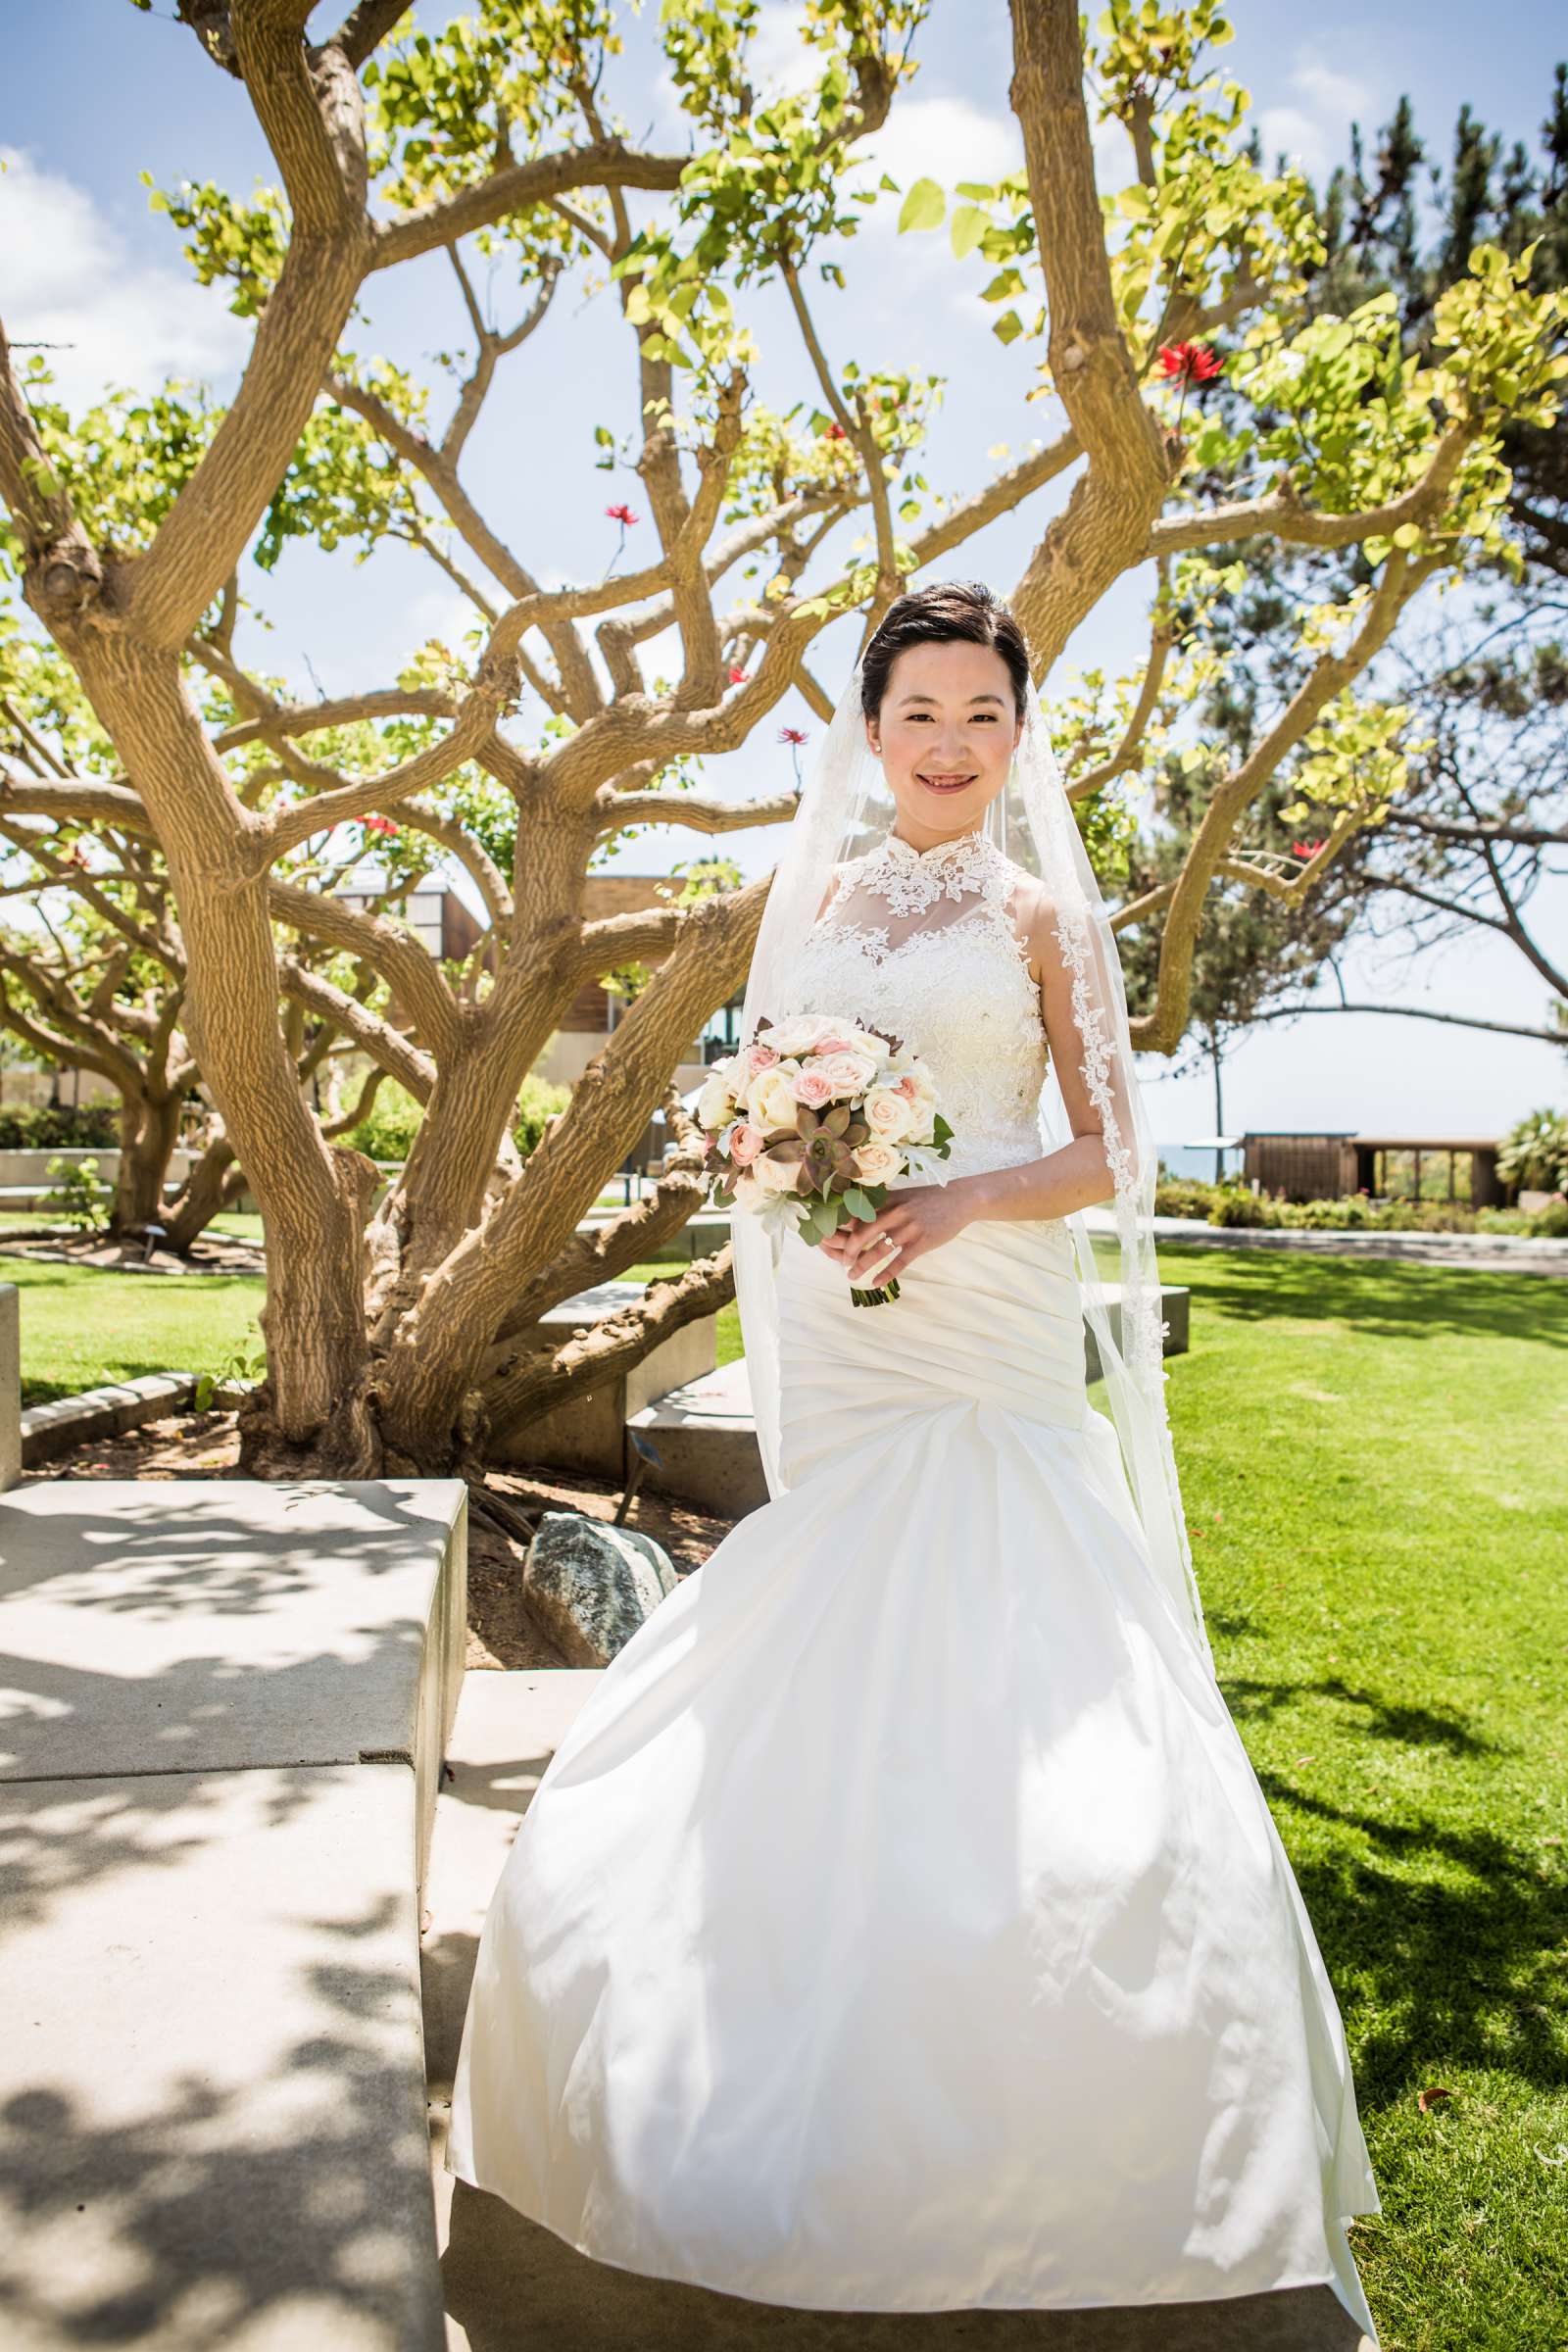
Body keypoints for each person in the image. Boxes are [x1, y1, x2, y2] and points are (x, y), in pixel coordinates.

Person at [445, 581, 1381, 2342]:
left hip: (996, 1313)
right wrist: (803, 1171)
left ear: (1020, 734)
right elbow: (779, 1102)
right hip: (852, 1314)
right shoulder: (813, 896)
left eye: (983, 713)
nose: (952, 744)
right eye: (921, 712)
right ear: (869, 731)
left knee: (1019, 1628)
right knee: (823, 1620)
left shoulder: (1044, 914)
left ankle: (1077, 2092)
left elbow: (1106, 1149)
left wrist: (951, 1199)